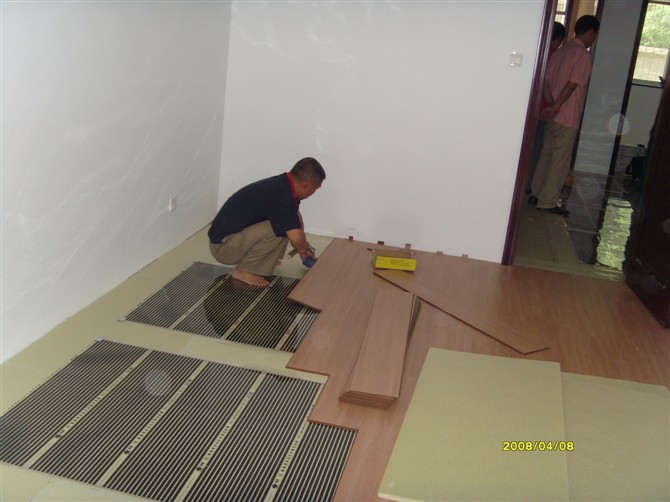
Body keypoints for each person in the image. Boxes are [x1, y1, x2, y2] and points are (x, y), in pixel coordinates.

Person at [208, 157, 325, 287]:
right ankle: (244, 271)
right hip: (223, 248)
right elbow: (296, 237)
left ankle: (265, 259)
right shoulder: (282, 195)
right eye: (315, 189)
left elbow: (296, 220)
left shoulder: (283, 185)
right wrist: (302, 249)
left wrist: (304, 248)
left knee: (288, 224)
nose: (313, 193)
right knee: (280, 228)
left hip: (230, 240)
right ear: (305, 185)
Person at [529, 15, 600, 216]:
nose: (593, 39)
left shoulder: (560, 52)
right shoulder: (583, 56)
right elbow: (572, 85)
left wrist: (552, 105)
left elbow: (546, 82)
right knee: (559, 160)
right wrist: (558, 106)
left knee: (546, 155)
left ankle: (536, 194)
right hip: (567, 115)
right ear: (590, 32)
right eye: (594, 35)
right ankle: (548, 201)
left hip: (553, 114)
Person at [527, 21, 566, 196]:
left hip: (532, 108)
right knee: (537, 149)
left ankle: (527, 182)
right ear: (558, 39)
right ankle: (529, 183)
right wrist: (552, 105)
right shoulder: (554, 55)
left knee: (530, 147)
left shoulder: (537, 50)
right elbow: (547, 83)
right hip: (543, 108)